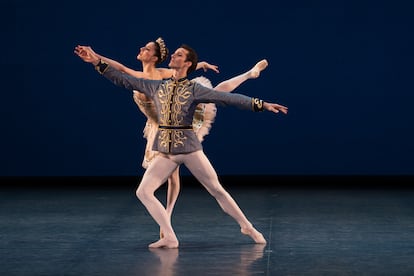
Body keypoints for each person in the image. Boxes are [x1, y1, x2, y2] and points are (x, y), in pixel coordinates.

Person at [74, 43, 288, 249]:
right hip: (166, 151)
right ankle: (169, 236)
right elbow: (123, 79)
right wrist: (95, 62)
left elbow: (227, 98)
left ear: (187, 63)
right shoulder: (156, 85)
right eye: (174, 54)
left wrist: (261, 105)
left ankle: (247, 227)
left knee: (216, 189)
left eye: (178, 55)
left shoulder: (194, 89)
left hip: (188, 149)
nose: (173, 57)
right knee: (144, 191)